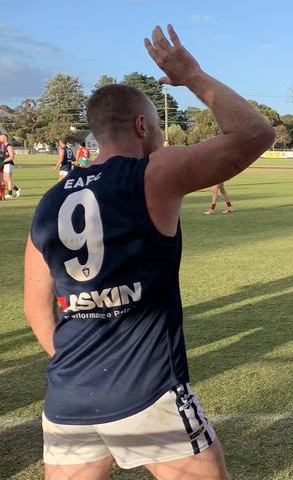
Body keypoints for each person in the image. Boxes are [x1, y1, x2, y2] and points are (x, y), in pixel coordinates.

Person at [24, 24, 274, 479]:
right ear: (142, 125)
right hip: (148, 395)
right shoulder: (151, 174)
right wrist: (193, 75)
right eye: (157, 128)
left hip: (68, 399)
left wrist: (79, 366)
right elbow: (254, 134)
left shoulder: (49, 201)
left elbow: (34, 305)